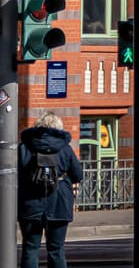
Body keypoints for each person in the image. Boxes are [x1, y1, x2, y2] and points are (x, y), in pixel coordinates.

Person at [18, 111, 83, 268]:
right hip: (59, 202)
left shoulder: (25, 146)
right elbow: (78, 175)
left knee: (30, 248)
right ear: (58, 128)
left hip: (30, 203)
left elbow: (15, 173)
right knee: (56, 249)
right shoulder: (65, 148)